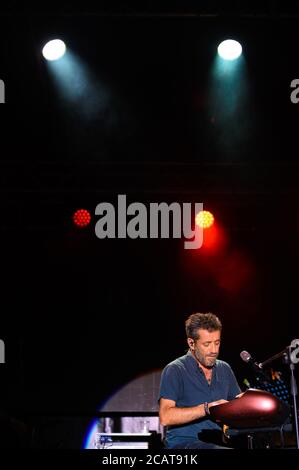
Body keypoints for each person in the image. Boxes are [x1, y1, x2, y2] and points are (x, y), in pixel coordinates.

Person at [158, 312, 241, 449]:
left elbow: (236, 405)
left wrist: (247, 402)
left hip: (218, 442)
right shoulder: (175, 369)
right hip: (183, 445)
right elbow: (165, 416)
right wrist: (207, 408)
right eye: (207, 344)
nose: (214, 350)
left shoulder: (225, 368)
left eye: (217, 343)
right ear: (191, 343)